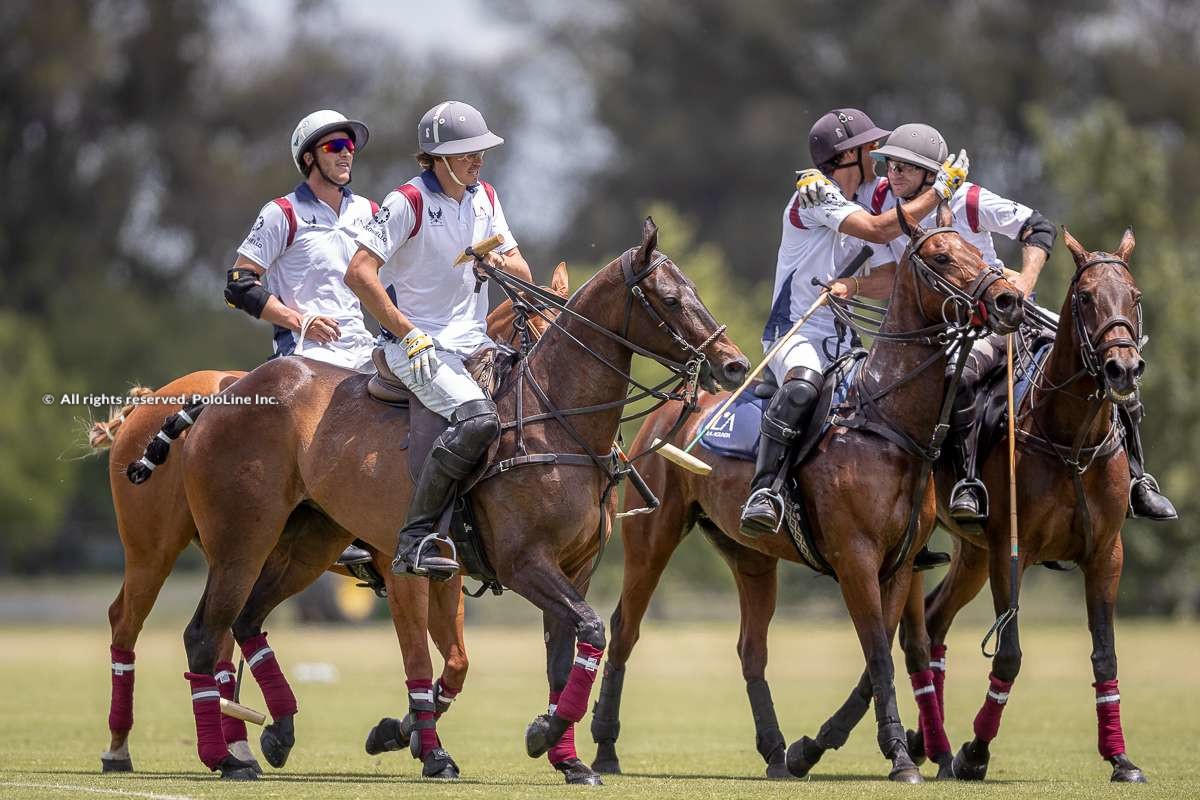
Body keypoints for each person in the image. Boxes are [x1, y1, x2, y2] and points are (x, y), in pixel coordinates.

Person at [835, 122, 1175, 521]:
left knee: (1108, 358)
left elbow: (1039, 227)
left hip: (1005, 313)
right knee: (955, 379)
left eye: (904, 168)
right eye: (890, 165)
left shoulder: (968, 199)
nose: (893, 174)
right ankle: (965, 482)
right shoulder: (881, 200)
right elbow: (867, 229)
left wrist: (1025, 282)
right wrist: (853, 283)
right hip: (947, 327)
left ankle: (1137, 479)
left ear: (931, 175)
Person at [739, 108, 970, 540]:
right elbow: (880, 230)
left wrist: (855, 285)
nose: (878, 157)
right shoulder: (813, 195)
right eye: (869, 149)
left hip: (844, 337)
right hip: (796, 331)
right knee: (803, 383)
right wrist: (939, 190)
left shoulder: (861, 201)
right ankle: (764, 491)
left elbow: (891, 275)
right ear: (847, 156)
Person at [345, 101, 534, 581]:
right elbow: (358, 272)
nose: (478, 160)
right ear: (439, 158)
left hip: (475, 341)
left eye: (481, 152)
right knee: (477, 420)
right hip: (417, 345)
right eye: (468, 152)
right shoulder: (406, 202)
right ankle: (418, 537)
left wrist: (493, 263)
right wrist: (406, 332)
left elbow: (523, 270)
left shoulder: (484, 197)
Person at [228, 109, 383, 565]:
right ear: (310, 157)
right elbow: (239, 284)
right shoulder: (282, 214)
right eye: (335, 146)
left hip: (365, 348)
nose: (346, 153)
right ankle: (348, 526)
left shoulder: (369, 212)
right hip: (306, 355)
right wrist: (299, 320)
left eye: (350, 146)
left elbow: (391, 281)